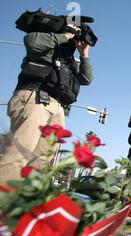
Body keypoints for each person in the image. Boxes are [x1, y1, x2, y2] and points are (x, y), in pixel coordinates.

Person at [0, 25, 93, 185]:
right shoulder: (45, 40)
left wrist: (84, 55)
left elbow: (86, 79)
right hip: (35, 97)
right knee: (19, 152)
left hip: (57, 107)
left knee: (42, 160)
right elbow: (31, 42)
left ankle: (24, 201)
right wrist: (66, 35)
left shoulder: (68, 59)